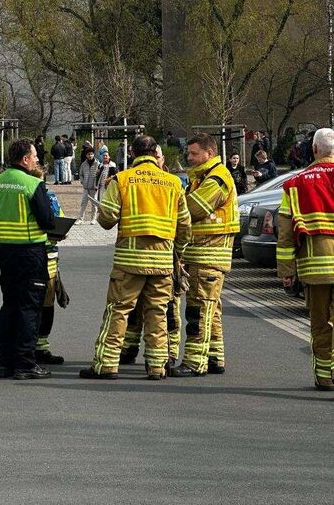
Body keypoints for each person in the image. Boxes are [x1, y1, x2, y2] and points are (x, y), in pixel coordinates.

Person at [81, 136, 191, 380]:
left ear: (132, 153)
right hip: (162, 264)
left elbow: (107, 220)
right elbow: (184, 226)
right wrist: (178, 254)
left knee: (118, 312)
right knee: (157, 313)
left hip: (129, 263)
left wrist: (104, 212)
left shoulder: (121, 180)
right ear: (155, 153)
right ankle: (156, 367)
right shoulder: (174, 183)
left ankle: (106, 365)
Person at [169, 133, 240, 377]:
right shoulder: (203, 177)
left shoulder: (216, 177)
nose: (190, 157)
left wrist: (169, 203)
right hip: (204, 255)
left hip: (208, 256)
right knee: (212, 309)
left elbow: (192, 209)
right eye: (188, 153)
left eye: (194, 153)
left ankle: (194, 361)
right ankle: (214, 357)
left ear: (209, 153)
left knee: (198, 310)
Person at [0, 138, 56, 380]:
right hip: (31, 253)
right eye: (35, 155)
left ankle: (5, 363)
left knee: (9, 307)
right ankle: (25, 364)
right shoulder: (32, 184)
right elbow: (48, 221)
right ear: (25, 159)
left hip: (6, 253)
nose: (37, 159)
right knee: (29, 309)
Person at [277, 128, 334, 390]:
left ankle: (324, 376)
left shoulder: (296, 184)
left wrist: (286, 270)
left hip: (315, 268)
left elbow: (286, 233)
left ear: (313, 150)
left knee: (321, 324)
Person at [119, 145, 185, 366]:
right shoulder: (167, 183)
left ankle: (169, 353)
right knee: (137, 310)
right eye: (152, 155)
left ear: (162, 158)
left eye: (157, 155)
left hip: (165, 258)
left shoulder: (172, 182)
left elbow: (183, 224)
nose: (154, 158)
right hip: (157, 258)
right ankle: (130, 349)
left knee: (169, 312)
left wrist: (179, 253)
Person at [37, 188, 68, 365]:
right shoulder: (48, 196)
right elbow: (60, 221)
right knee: (45, 305)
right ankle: (39, 347)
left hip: (25, 257)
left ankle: (29, 347)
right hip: (46, 258)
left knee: (24, 305)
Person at [77, 150, 100, 223]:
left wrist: (97, 185)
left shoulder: (98, 164)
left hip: (94, 188)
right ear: (86, 155)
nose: (90, 155)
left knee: (94, 204)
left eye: (91, 154)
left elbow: (99, 176)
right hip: (86, 188)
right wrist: (82, 181)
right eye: (88, 154)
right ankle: (81, 219)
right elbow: (80, 174)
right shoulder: (84, 164)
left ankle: (93, 219)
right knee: (83, 203)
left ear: (93, 154)